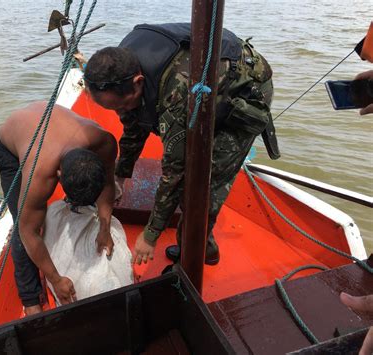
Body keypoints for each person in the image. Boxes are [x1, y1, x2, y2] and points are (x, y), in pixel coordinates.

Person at [83, 23, 279, 266]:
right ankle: (194, 244)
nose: (121, 113)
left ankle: (199, 251)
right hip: (204, 88)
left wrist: (150, 234)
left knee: (202, 187)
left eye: (123, 106)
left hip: (244, 93)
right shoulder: (117, 69)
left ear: (138, 82)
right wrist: (120, 177)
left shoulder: (177, 92)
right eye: (114, 109)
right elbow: (134, 125)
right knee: (189, 169)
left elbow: (175, 172)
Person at [0, 101, 117, 315]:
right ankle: (30, 298)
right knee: (22, 223)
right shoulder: (40, 175)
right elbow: (28, 232)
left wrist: (104, 227)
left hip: (47, 126)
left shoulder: (104, 142)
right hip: (10, 148)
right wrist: (56, 279)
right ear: (57, 177)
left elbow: (107, 184)